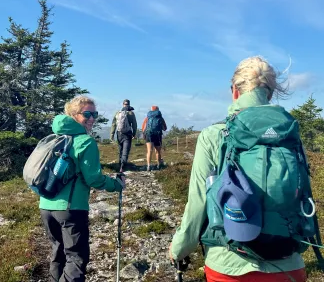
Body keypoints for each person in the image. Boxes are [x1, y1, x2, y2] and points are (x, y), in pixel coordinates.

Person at [168, 56, 308, 282]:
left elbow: (198, 202)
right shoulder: (290, 136)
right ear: (270, 94)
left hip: (228, 265)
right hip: (289, 264)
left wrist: (179, 248)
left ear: (234, 91)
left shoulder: (214, 135)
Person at [39, 96, 126, 282]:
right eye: (87, 114)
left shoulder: (54, 137)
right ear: (73, 115)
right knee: (76, 258)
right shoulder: (85, 142)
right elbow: (94, 179)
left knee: (58, 252)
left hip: (46, 205)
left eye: (94, 114)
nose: (92, 118)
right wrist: (116, 185)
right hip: (71, 208)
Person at [110, 99, 137, 172]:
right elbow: (134, 125)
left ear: (123, 104)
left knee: (120, 149)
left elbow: (113, 124)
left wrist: (112, 134)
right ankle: (123, 166)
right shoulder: (131, 113)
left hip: (119, 133)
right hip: (127, 134)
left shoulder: (117, 113)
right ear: (129, 104)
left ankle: (119, 165)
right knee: (126, 150)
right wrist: (134, 134)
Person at [141, 106, 167, 171]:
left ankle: (148, 166)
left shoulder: (147, 118)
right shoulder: (160, 117)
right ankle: (158, 165)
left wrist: (144, 134)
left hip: (149, 134)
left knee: (149, 151)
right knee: (158, 151)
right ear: (157, 110)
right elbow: (165, 128)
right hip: (158, 135)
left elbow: (143, 128)